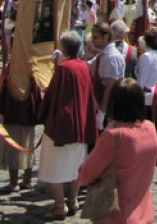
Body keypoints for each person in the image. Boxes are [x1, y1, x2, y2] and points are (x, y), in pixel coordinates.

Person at [79, 78, 157, 224]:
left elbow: (85, 175)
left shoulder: (114, 136)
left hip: (116, 215)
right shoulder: (150, 128)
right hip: (144, 213)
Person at [38, 32, 99, 220]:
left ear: (64, 48)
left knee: (53, 166)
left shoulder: (64, 69)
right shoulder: (83, 66)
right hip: (80, 123)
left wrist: (42, 110)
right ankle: (72, 200)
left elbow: (54, 95)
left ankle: (59, 205)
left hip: (62, 126)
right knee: (75, 166)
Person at [136, 33, 157, 154]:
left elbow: (142, 80)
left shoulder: (146, 56)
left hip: (147, 96)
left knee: (147, 126)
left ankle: (149, 151)